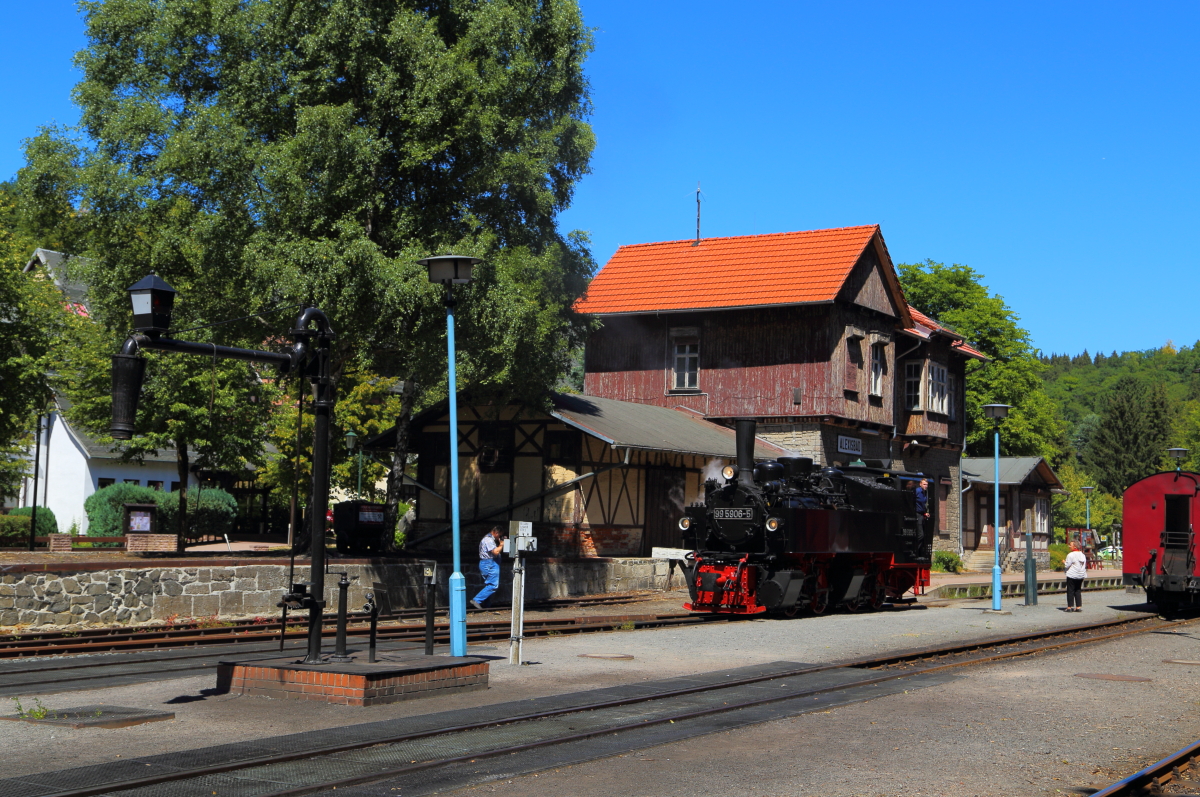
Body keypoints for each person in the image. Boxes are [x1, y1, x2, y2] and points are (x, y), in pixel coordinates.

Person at [471, 526, 506, 609]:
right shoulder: (488, 540)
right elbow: (495, 552)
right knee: (493, 585)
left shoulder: (489, 539)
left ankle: (487, 605)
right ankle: (476, 600)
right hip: (490, 563)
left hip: (488, 563)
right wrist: (501, 545)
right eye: (499, 535)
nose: (499, 537)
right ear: (496, 533)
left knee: (489, 584)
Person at [1064, 541, 1087, 612]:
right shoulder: (1082, 555)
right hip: (1081, 575)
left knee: (1070, 590)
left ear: (1075, 547)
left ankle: (1069, 607)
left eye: (1070, 545)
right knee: (1078, 590)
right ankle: (1078, 607)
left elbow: (1067, 565)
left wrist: (1064, 562)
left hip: (1072, 575)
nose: (1069, 546)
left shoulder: (1071, 555)